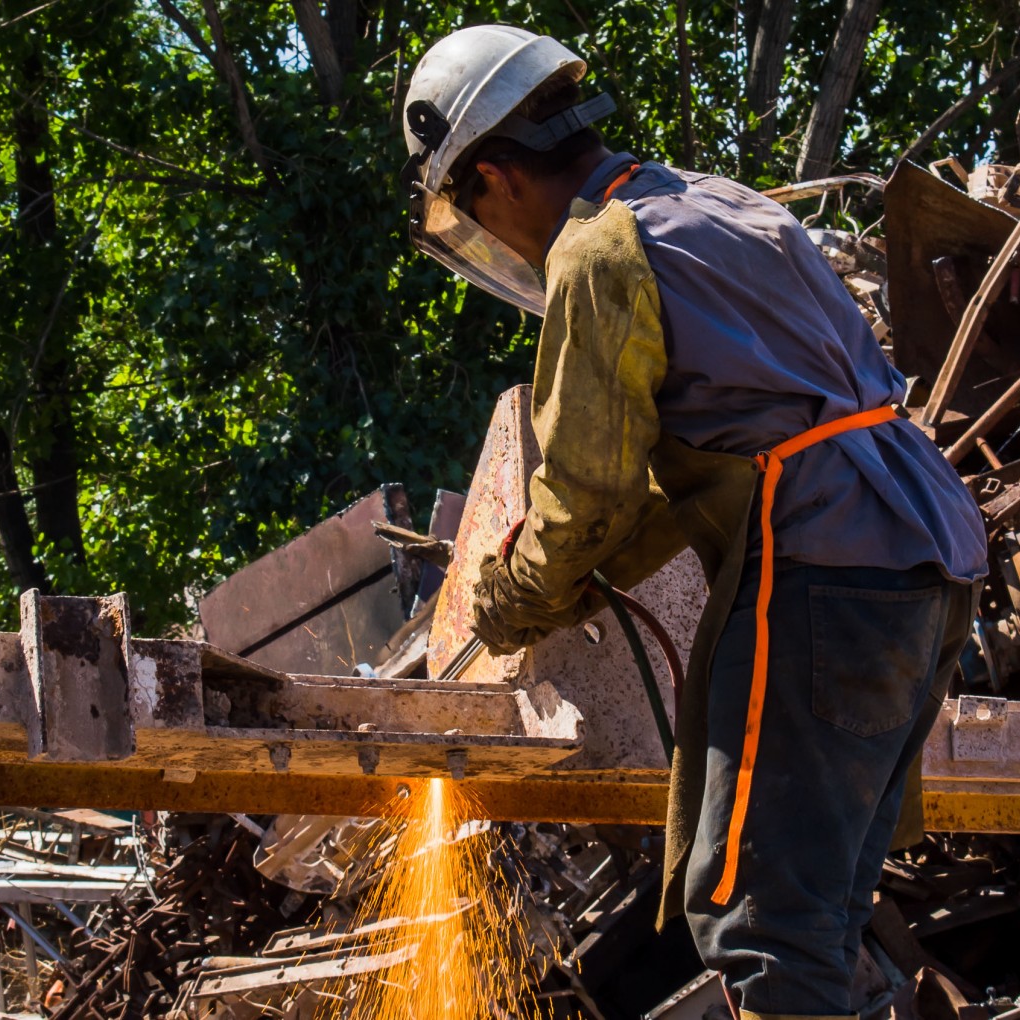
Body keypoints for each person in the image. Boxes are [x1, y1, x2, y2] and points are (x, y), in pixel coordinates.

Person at [400, 25, 989, 1020]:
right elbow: (717, 466)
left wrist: (512, 600)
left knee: (761, 920)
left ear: (492, 176)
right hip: (925, 548)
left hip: (826, 564)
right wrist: (597, 570)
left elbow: (582, 495)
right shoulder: (717, 204)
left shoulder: (599, 254)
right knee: (819, 912)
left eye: (473, 211)